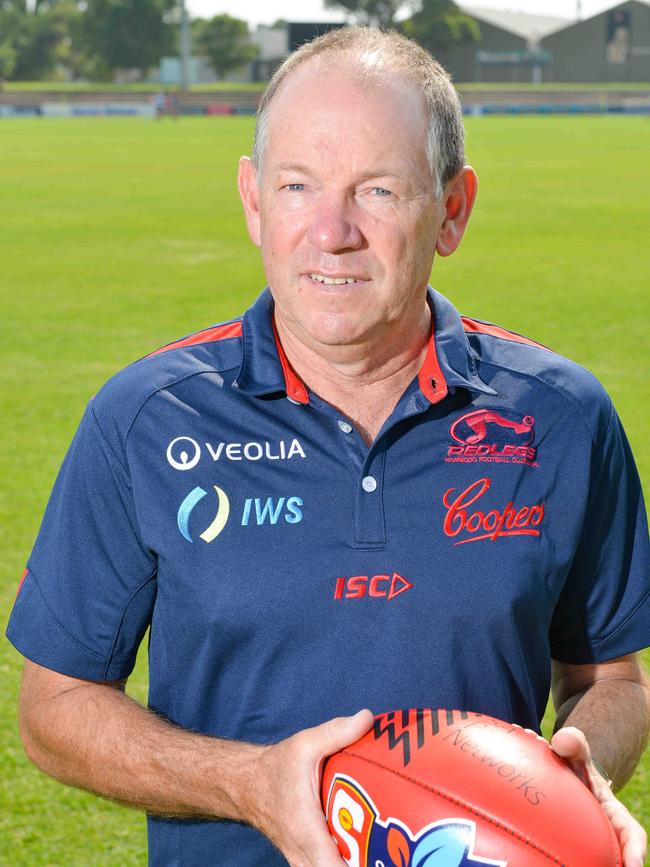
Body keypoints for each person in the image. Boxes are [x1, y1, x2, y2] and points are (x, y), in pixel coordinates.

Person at [6, 26, 649, 867]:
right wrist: (244, 780)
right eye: (298, 185)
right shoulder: (145, 419)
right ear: (253, 200)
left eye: (378, 191)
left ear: (452, 209)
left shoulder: (560, 416)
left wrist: (579, 772)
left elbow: (612, 679)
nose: (332, 230)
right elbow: (53, 705)